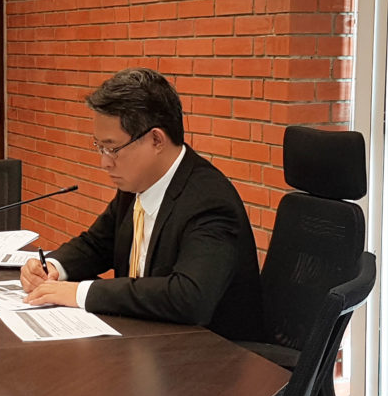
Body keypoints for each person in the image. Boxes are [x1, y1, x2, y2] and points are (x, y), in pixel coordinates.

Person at [21, 67, 263, 341]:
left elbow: (189, 297)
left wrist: (80, 293)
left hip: (212, 352)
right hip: (145, 340)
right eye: (99, 147)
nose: (104, 162)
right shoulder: (136, 184)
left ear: (156, 140)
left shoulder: (209, 201)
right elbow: (97, 244)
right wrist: (53, 267)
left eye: (112, 148)